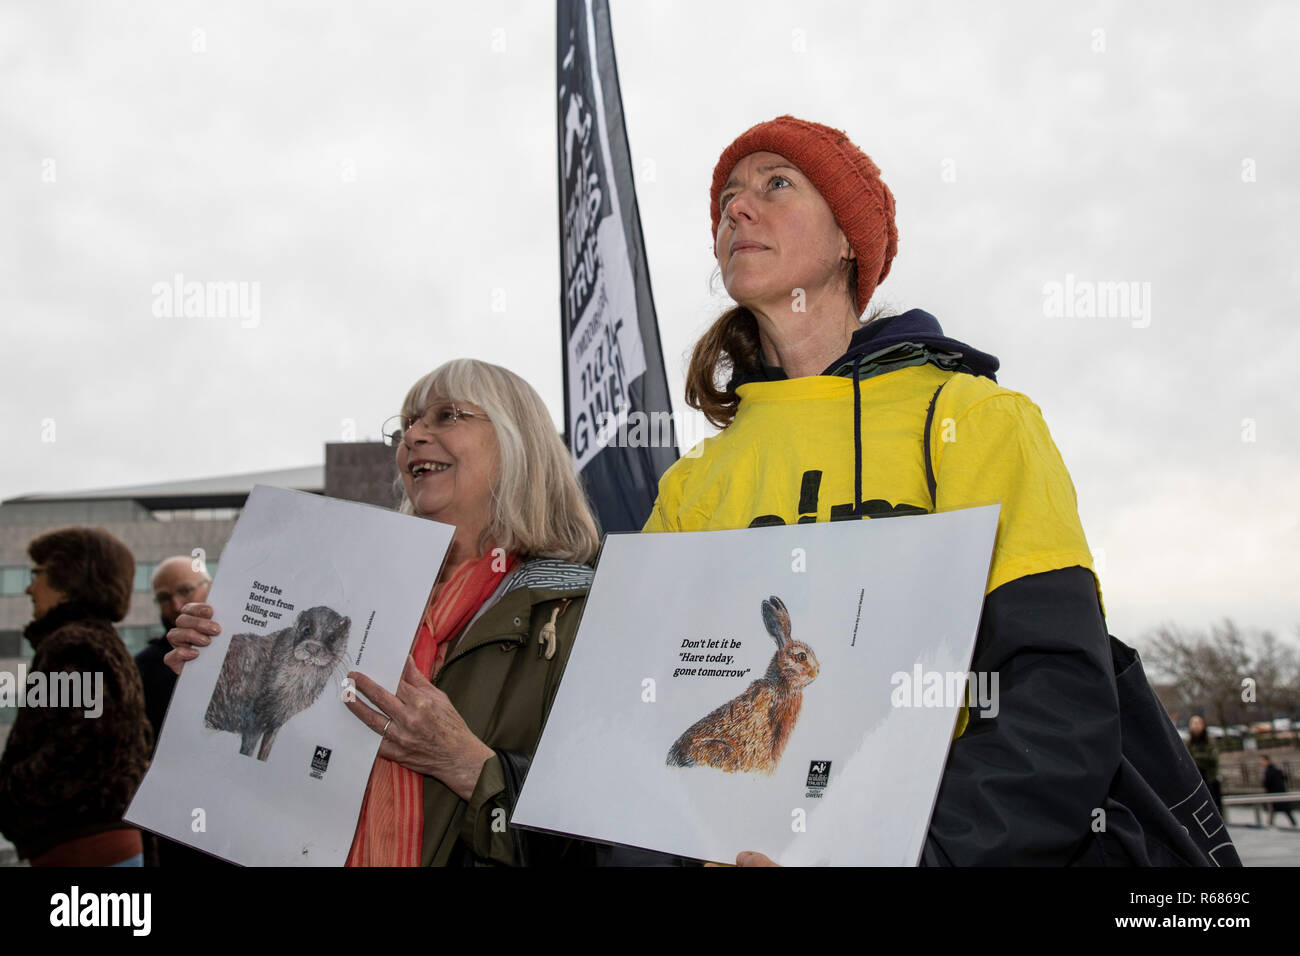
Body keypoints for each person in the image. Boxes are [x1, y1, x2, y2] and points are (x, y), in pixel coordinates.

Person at [643, 115, 1147, 865]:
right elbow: (642, 710)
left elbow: (1056, 699)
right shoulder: (692, 483)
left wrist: (915, 857)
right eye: (727, 201)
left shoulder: (974, 419)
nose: (737, 209)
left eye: (776, 183)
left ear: (850, 239)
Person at [166, 359, 601, 865]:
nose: (414, 435)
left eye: (447, 416)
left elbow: (601, 828)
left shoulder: (579, 612)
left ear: (516, 443)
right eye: (408, 424)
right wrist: (217, 671)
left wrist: (465, 765)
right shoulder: (351, 592)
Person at [0, 527, 153, 866]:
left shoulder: (73, 645)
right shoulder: (104, 643)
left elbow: (80, 745)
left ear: (68, 578)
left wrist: (11, 792)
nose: (29, 587)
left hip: (81, 849)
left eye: (37, 573)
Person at [135, 556, 212, 750]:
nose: (177, 605)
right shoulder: (143, 666)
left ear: (210, 586)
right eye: (163, 598)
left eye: (185, 591)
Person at [1186, 715, 1222, 815]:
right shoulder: (1188, 743)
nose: (1196, 726)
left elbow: (1213, 759)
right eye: (1194, 723)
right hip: (1196, 782)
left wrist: (1196, 758)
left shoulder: (1209, 741)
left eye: (1198, 723)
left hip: (1211, 779)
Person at [1261, 755, 1295, 827]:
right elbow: (1285, 778)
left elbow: (1266, 783)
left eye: (1263, 761)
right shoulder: (1277, 769)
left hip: (1274, 793)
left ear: (1267, 761)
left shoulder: (1269, 771)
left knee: (1274, 809)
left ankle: (1270, 824)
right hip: (1281, 792)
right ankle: (1293, 823)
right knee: (1285, 809)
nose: (1262, 762)